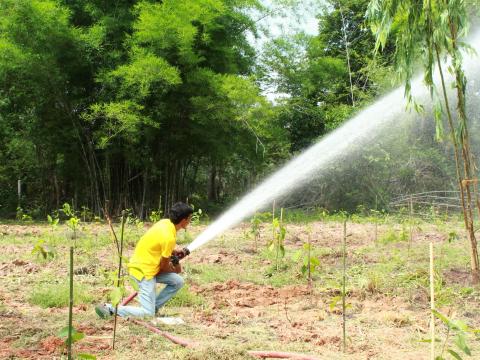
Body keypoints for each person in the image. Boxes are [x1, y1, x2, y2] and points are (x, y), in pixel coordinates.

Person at [95, 202, 193, 318]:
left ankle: (153, 307)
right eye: (189, 218)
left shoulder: (165, 223)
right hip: (143, 273)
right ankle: (109, 308)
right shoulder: (169, 237)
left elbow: (158, 245)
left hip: (148, 267)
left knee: (178, 282)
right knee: (147, 313)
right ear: (183, 220)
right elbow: (164, 267)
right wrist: (176, 267)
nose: (190, 221)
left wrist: (173, 253)